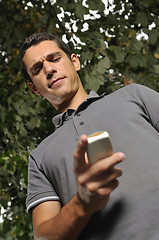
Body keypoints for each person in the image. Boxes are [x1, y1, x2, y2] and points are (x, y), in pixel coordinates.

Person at [20, 32, 159, 240]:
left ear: (74, 61)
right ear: (34, 88)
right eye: (37, 69)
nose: (49, 69)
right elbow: (43, 236)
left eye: (55, 58)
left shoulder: (134, 95)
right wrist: (82, 203)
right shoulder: (39, 158)